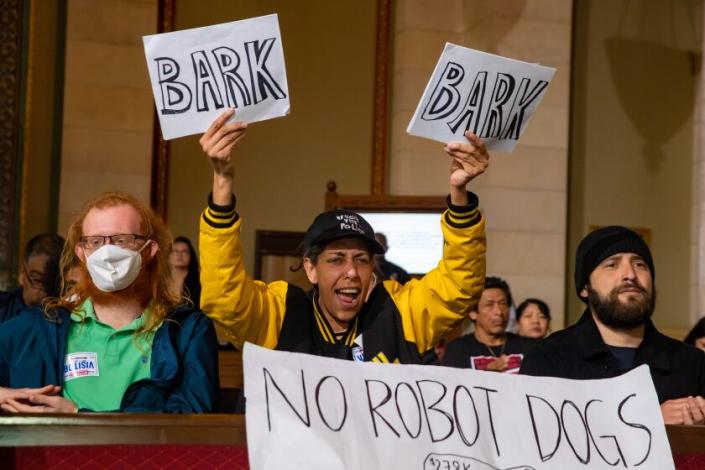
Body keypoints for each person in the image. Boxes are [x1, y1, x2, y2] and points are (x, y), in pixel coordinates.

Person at [198, 108, 488, 363]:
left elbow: (459, 287)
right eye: (336, 259)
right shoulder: (280, 313)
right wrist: (222, 181)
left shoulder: (398, 312)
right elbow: (225, 298)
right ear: (311, 268)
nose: (351, 271)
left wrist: (459, 195)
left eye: (361, 259)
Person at [0, 192, 219, 413]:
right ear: (82, 253)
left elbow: (189, 421)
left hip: (143, 449)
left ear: (150, 251)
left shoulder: (186, 332)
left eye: (122, 240)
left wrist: (76, 418)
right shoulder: (40, 326)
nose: (107, 252)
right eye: (95, 242)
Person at [521, 226, 705, 425]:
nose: (630, 275)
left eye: (640, 264)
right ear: (585, 287)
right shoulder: (549, 359)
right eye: (612, 265)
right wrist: (648, 420)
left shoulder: (692, 364)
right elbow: (537, 441)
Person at [441, 276, 536, 373]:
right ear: (473, 313)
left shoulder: (529, 347)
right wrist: (487, 373)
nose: (498, 312)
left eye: (503, 304)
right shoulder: (458, 350)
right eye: (489, 305)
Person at [0, 233, 64, 324]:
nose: (45, 293)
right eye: (37, 280)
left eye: (53, 283)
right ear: (22, 274)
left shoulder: (68, 317)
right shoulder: (3, 308)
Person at [168, 236, 201, 306]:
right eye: (175, 251)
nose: (179, 255)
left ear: (191, 256)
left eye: (184, 251)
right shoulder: (160, 281)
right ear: (168, 256)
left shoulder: (199, 281)